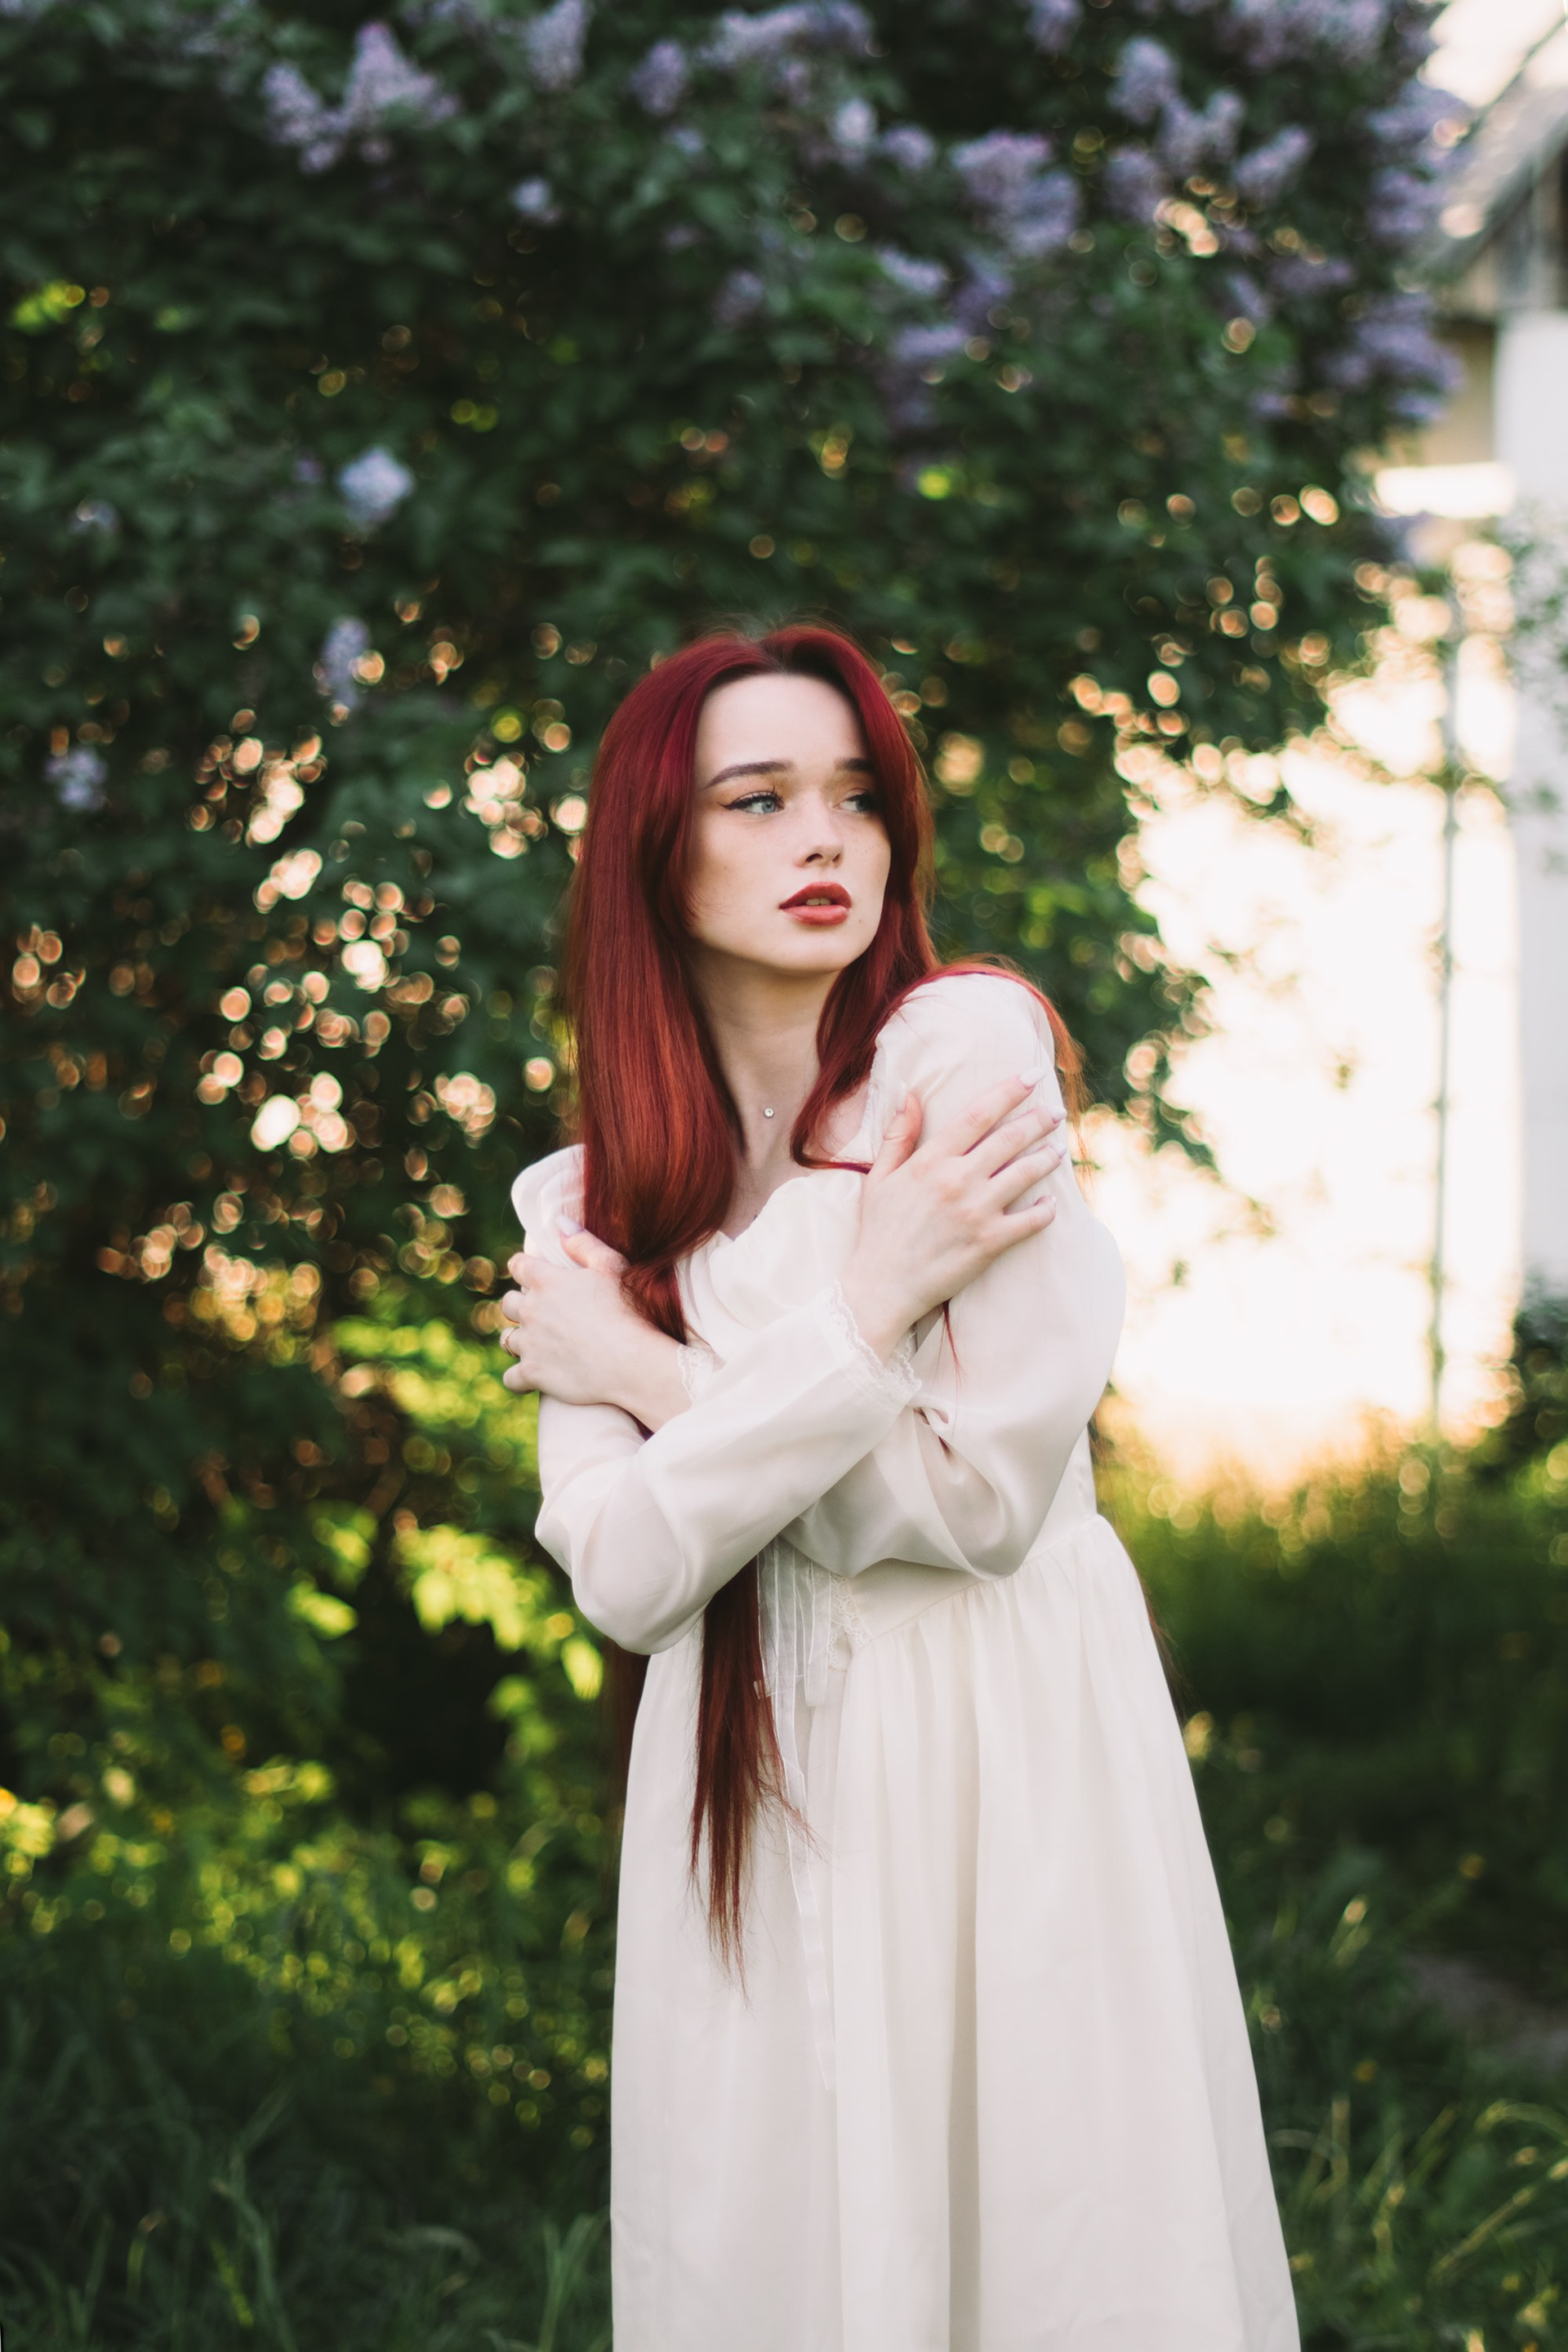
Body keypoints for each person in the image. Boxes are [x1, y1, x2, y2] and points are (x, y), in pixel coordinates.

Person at [498, 625, 1299, 2352]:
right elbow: (628, 1574)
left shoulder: (960, 1058)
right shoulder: (587, 1209)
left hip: (1004, 1746)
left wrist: (653, 1378)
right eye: (760, 798)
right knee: (777, 2256)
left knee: (1054, 2245)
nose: (826, 838)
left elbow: (974, 1500)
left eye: (858, 797)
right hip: (752, 1792)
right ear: (655, 848)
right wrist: (867, 1317)